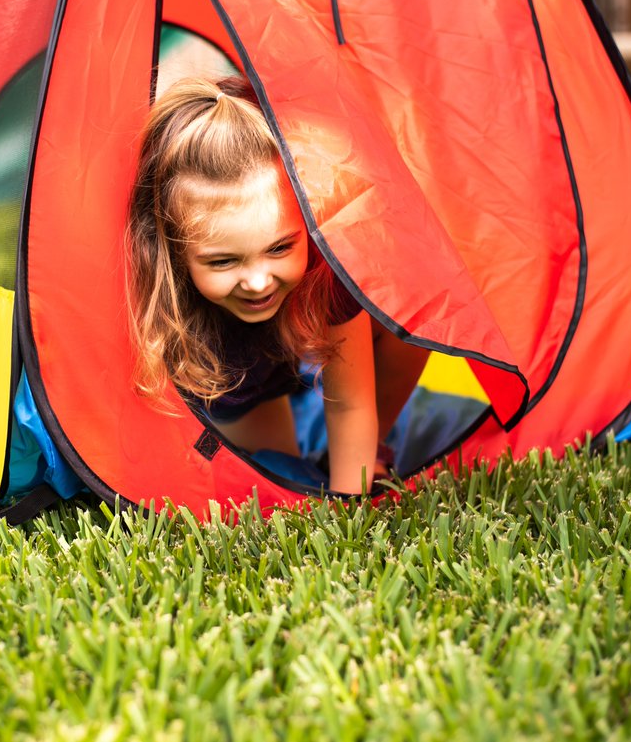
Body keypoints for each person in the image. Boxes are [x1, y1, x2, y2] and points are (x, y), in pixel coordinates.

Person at [125, 75, 429, 494]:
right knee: (277, 476)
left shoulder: (326, 271)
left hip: (294, 341)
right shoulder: (165, 302)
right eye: (223, 260)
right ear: (178, 253)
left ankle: (369, 451)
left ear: (307, 226)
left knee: (410, 322)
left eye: (280, 247)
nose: (257, 281)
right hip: (234, 386)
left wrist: (350, 509)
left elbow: (351, 405)